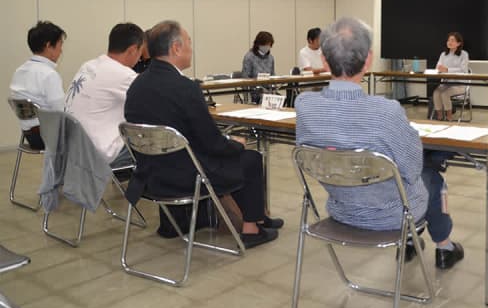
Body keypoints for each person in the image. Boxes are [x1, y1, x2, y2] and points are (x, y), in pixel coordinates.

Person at [295, 17, 464, 269]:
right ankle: (443, 246)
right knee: (431, 174)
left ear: (324, 61)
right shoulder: (385, 111)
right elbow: (412, 168)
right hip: (394, 216)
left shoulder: (304, 106)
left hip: (342, 210)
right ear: (368, 60)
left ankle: (410, 244)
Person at [124, 20, 283, 248]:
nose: (191, 48)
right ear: (176, 48)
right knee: (250, 158)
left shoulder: (136, 86)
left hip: (151, 176)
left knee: (235, 155)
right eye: (189, 42)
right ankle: (251, 228)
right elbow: (211, 142)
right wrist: (234, 143)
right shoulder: (185, 88)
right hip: (187, 177)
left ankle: (258, 217)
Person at [65, 23, 144, 167]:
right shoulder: (124, 75)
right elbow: (156, 102)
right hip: (95, 154)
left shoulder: (88, 65)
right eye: (140, 53)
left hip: (70, 148)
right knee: (158, 141)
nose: (140, 59)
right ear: (133, 50)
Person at [9, 21, 67, 150]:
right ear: (48, 46)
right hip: (48, 137)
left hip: (29, 135)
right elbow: (61, 112)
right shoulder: (48, 75)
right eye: (59, 45)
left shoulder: (19, 71)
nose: (61, 51)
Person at [431, 32, 469, 121]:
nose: (449, 42)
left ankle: (449, 117)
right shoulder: (443, 54)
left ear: (458, 43)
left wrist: (447, 70)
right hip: (447, 83)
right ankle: (439, 116)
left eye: (452, 40)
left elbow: (463, 70)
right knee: (436, 93)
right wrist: (440, 69)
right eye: (448, 40)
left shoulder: (464, 54)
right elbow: (438, 67)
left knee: (445, 94)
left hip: (460, 84)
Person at [242, 31, 276, 103]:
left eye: (269, 45)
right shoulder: (249, 57)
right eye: (266, 44)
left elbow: (273, 75)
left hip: (268, 91)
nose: (267, 47)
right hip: (254, 91)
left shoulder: (271, 58)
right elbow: (245, 77)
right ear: (259, 44)